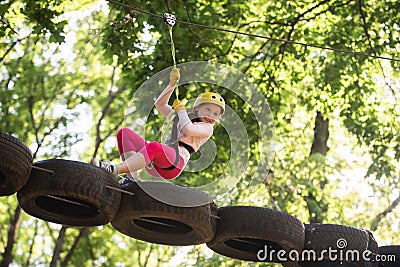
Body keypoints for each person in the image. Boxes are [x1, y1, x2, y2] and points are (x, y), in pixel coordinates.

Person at [91, 67, 225, 185]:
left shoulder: (207, 128)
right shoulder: (181, 117)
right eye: (207, 109)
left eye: (216, 114)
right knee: (125, 133)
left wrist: (181, 111)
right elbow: (160, 104)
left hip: (174, 164)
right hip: (159, 159)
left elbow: (188, 129)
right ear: (197, 108)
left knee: (154, 146)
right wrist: (171, 85)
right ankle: (132, 179)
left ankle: (115, 169)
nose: (211, 115)